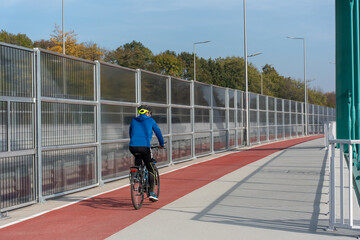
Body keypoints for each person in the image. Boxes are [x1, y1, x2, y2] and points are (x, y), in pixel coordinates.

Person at [129, 105, 165, 202]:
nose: (150, 115)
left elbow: (130, 133)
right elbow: (158, 133)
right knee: (150, 168)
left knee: (138, 159)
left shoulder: (134, 120)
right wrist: (161, 144)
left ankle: (136, 175)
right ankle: (152, 193)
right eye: (149, 113)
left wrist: (135, 142)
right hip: (144, 146)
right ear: (146, 113)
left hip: (132, 146)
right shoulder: (150, 120)